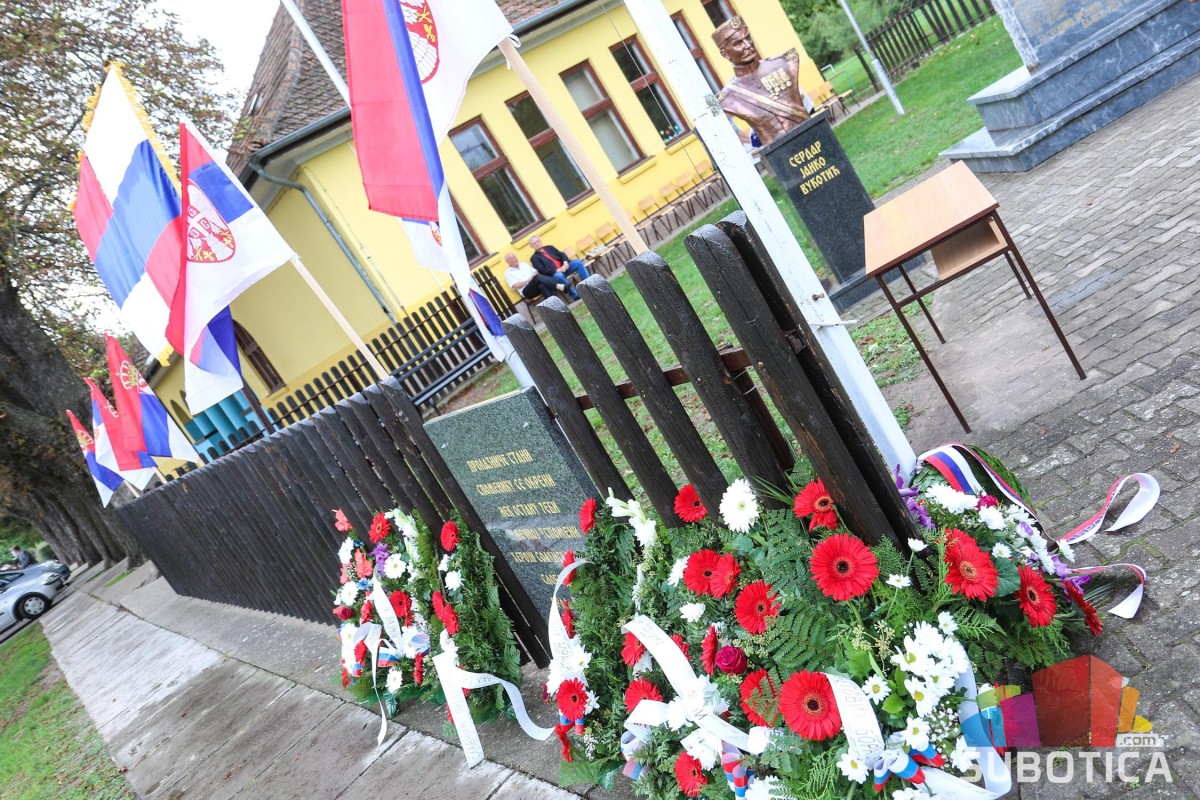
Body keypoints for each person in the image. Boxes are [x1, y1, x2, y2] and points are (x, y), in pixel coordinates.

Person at [711, 16, 814, 148]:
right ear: (725, 54)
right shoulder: (726, 97)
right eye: (738, 43)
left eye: (748, 38)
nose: (748, 45)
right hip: (778, 151)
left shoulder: (785, 63)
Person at [503, 252, 580, 303]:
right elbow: (516, 285)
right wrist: (529, 280)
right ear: (508, 262)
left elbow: (536, 272)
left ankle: (556, 305)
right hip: (527, 291)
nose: (515, 259)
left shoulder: (523, 264)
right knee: (537, 278)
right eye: (513, 258)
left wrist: (533, 278)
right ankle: (559, 286)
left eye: (515, 257)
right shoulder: (508, 273)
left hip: (536, 285)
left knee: (541, 285)